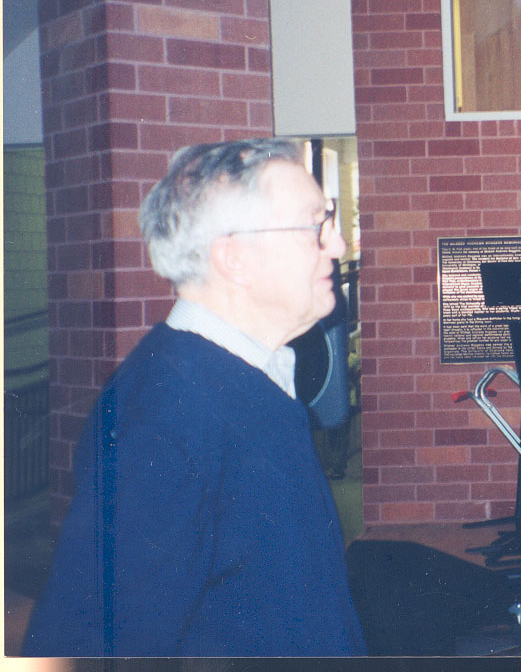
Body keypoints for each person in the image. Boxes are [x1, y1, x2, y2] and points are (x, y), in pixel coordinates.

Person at [23, 139, 367, 657]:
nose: (337, 245)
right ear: (235, 258)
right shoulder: (163, 418)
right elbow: (90, 644)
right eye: (313, 225)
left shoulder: (251, 374)